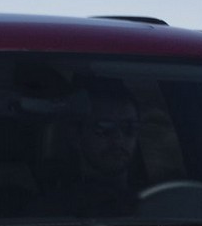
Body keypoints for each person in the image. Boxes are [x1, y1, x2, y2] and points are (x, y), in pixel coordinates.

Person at [41, 76, 141, 218]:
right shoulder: (52, 214)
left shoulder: (162, 203)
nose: (118, 139)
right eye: (104, 128)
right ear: (76, 136)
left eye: (129, 128)